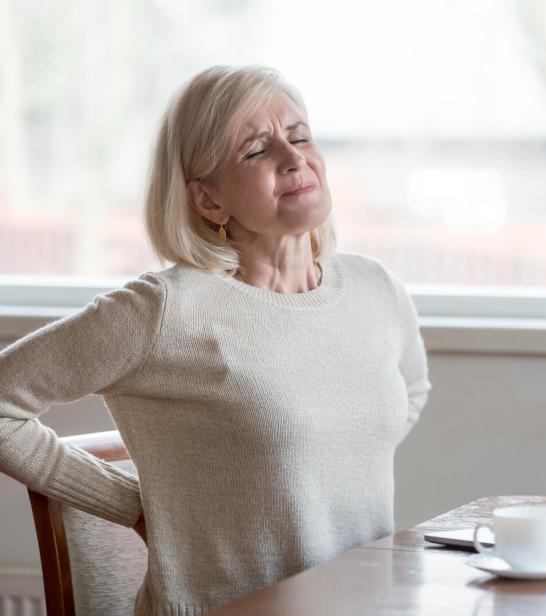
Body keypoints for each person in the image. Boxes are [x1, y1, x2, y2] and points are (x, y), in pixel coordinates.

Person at [0, 65, 431, 615]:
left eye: (299, 136)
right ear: (208, 201)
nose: (294, 157)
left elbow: (411, 390)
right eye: (257, 150)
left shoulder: (375, 288)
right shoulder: (166, 311)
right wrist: (135, 505)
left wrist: (329, 451)